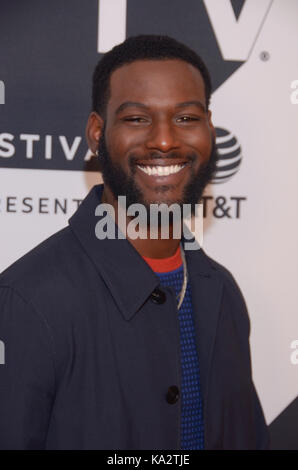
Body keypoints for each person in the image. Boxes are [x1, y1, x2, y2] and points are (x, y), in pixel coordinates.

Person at [0, 35, 270, 450]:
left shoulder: (222, 292)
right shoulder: (28, 302)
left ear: (210, 131)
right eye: (137, 119)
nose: (164, 141)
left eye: (186, 118)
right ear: (96, 133)